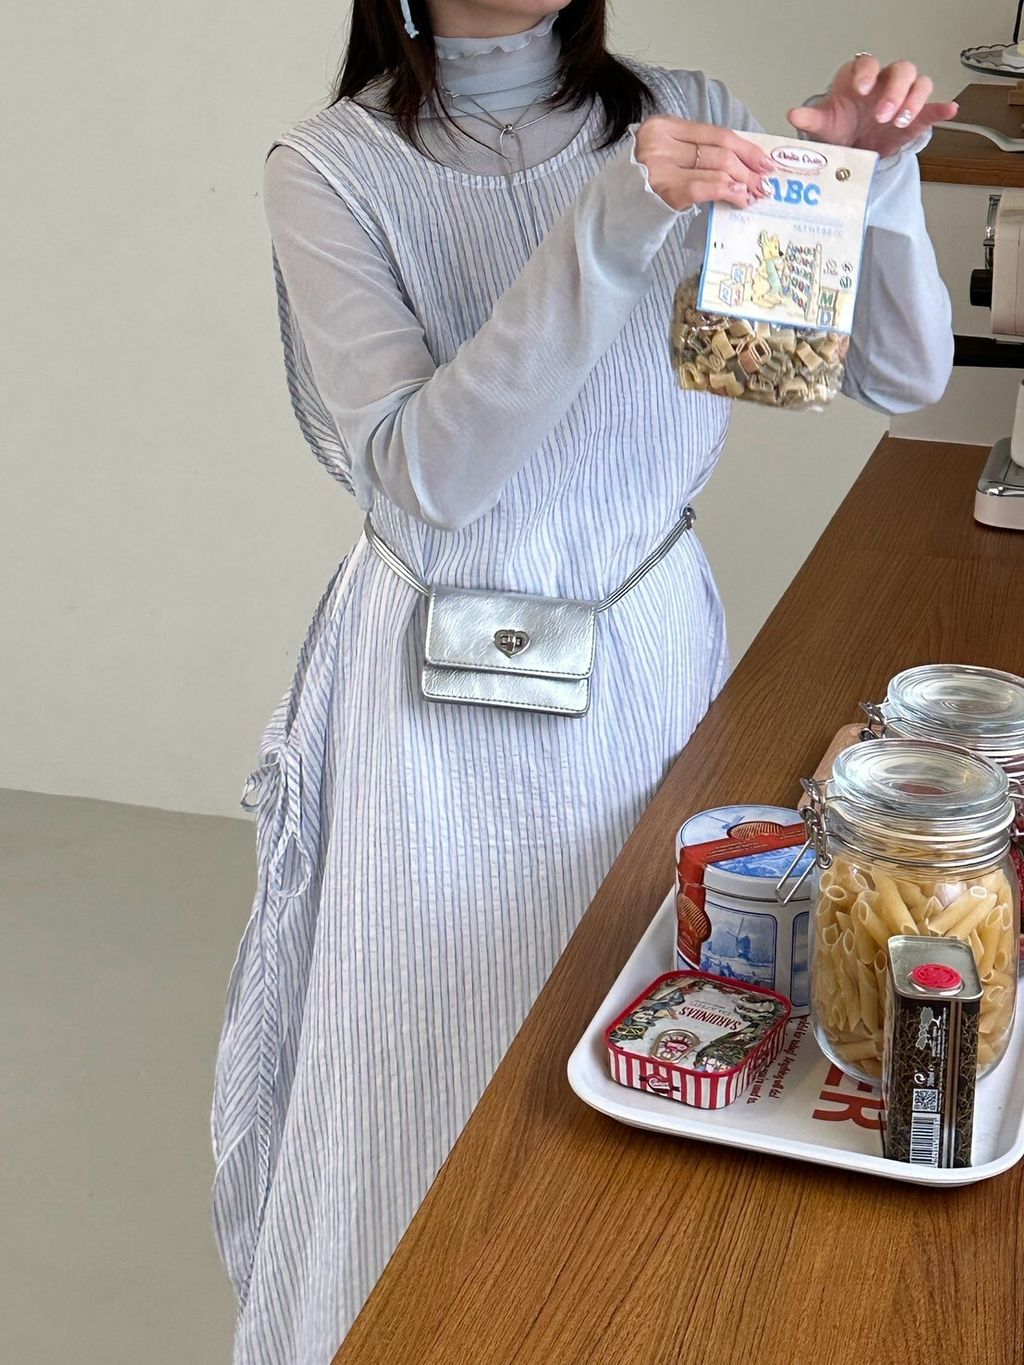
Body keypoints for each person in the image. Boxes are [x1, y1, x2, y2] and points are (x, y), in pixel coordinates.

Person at [210, 2, 955, 1359]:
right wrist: (613, 219)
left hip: (645, 660)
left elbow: (901, 375)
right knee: (419, 1062)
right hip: (427, 706)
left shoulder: (690, 108)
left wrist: (870, 181)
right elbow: (430, 479)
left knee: (670, 1038)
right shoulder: (327, 169)